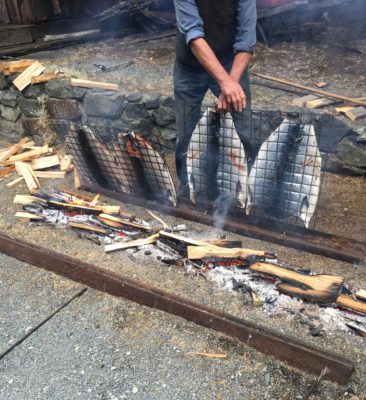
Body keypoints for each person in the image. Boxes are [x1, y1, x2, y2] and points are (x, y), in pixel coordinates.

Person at [173, 0, 257, 194]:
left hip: (230, 63)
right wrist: (225, 82)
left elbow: (247, 38)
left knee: (243, 131)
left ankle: (246, 191)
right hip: (190, 68)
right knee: (186, 133)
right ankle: (187, 187)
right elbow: (193, 36)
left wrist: (231, 82)